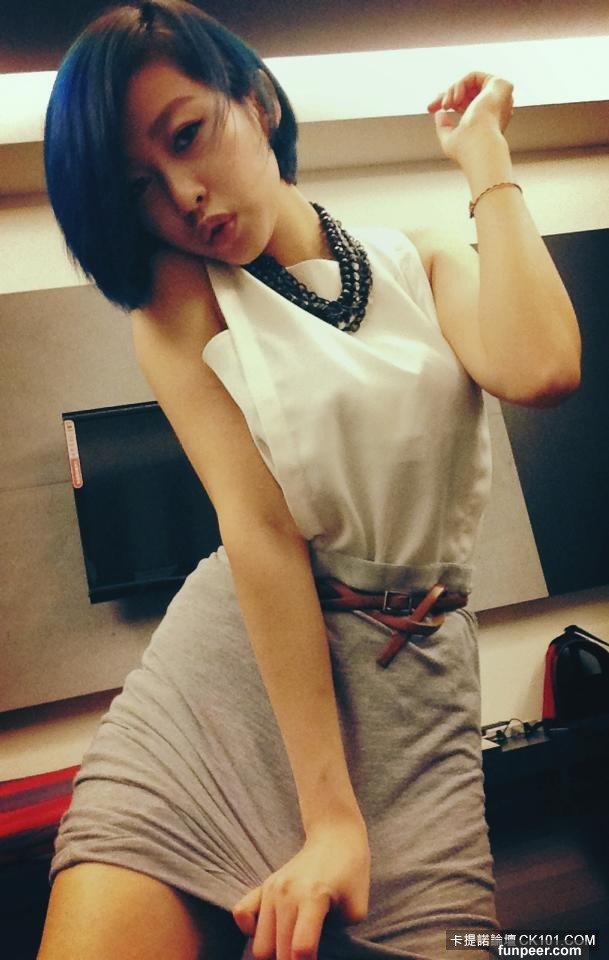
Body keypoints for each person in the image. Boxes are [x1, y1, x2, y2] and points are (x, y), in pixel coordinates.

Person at [38, 2, 581, 958]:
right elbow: (260, 532)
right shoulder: (179, 297)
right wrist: (330, 820)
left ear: (255, 99)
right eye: (138, 186)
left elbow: (541, 367)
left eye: (187, 135)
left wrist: (484, 157)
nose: (184, 196)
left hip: (415, 688)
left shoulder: (420, 257)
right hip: (232, 688)